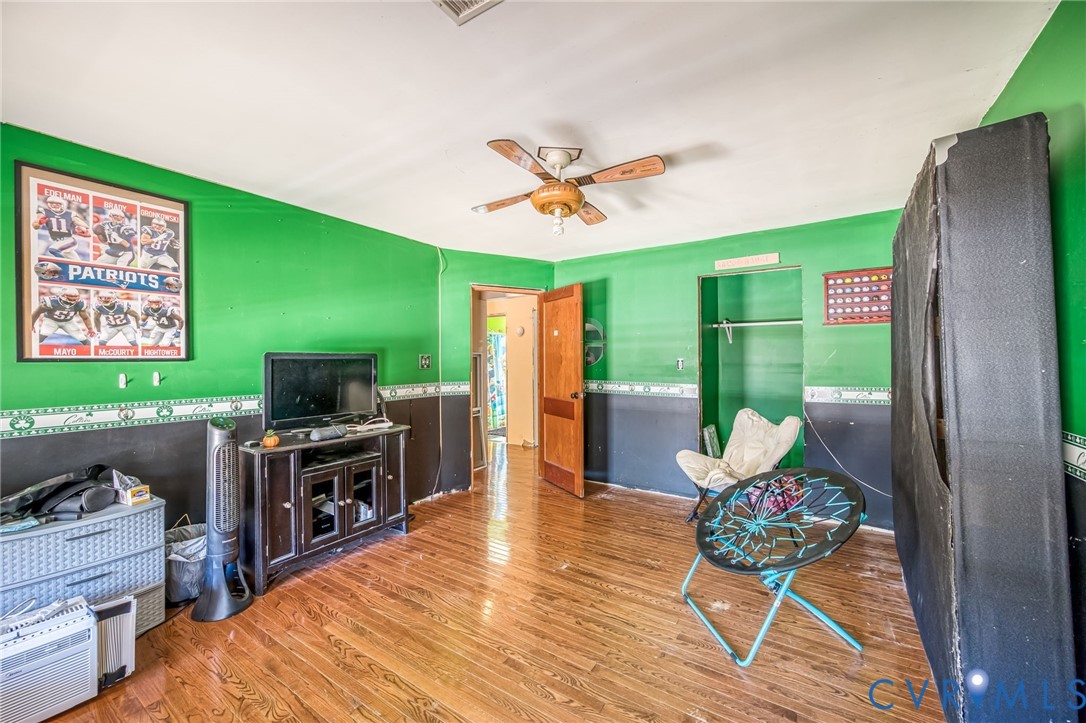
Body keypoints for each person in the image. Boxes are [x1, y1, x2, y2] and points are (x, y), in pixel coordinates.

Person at [30, 286, 94, 345]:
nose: (74, 299)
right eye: (71, 296)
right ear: (62, 296)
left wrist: (90, 329)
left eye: (75, 297)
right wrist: (31, 323)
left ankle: (92, 355)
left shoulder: (80, 304)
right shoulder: (52, 302)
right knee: (43, 335)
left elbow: (85, 318)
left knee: (83, 338)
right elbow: (37, 312)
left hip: (68, 321)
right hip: (51, 320)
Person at [33, 195, 90, 260]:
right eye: (51, 203)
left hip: (68, 240)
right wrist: (40, 222)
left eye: (57, 204)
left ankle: (62, 263)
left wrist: (85, 230)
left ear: (63, 205)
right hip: (58, 241)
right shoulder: (44, 212)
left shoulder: (69, 214)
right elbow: (35, 226)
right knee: (75, 260)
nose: (54, 205)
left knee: (53, 250)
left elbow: (84, 225)